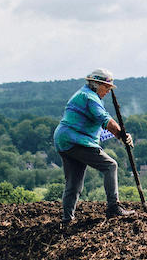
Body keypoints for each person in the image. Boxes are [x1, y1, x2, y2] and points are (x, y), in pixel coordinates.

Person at [53, 69, 135, 226]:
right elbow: (105, 120)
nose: (107, 91)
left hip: (64, 141)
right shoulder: (90, 98)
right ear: (96, 84)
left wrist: (120, 135)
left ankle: (67, 219)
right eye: (106, 87)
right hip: (76, 140)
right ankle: (113, 206)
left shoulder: (85, 95)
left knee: (74, 183)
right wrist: (122, 136)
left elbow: (100, 127)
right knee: (110, 166)